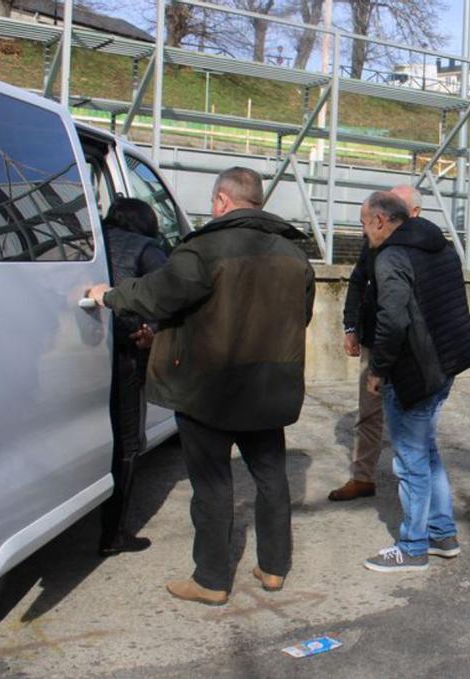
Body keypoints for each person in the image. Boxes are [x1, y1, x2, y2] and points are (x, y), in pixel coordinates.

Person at [84, 167, 315, 605]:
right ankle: (273, 568)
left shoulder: (203, 250)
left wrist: (107, 295)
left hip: (209, 388)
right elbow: (298, 317)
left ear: (222, 202)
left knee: (212, 484)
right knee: (271, 478)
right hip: (270, 388)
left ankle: (211, 579)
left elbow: (155, 296)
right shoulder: (294, 255)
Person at [359, 191, 470, 573]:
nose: (364, 234)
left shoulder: (393, 256)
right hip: (447, 364)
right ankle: (442, 534)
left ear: (380, 220)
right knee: (426, 452)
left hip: (416, 371)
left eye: (364, 225)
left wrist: (377, 369)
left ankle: (413, 546)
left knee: (410, 461)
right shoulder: (437, 246)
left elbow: (392, 321)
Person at [328, 185, 423, 503]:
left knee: (411, 417)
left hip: (411, 347)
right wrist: (351, 325)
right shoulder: (371, 242)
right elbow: (357, 281)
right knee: (369, 413)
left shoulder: (428, 247)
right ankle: (362, 477)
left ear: (415, 213)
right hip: (374, 340)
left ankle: (413, 482)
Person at [98, 199, 168, 556]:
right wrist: (152, 332)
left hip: (83, 354)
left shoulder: (87, 242)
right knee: (126, 443)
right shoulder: (146, 248)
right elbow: (169, 295)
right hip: (125, 355)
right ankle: (113, 534)